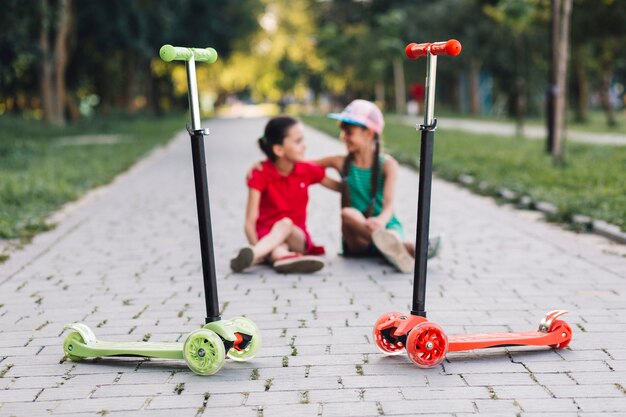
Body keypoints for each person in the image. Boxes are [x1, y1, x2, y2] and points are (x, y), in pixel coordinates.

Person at [314, 99, 440, 273]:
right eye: (342, 131)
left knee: (391, 234)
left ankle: (393, 247)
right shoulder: (340, 162)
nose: (343, 136)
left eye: (349, 132)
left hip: (385, 225)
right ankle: (405, 249)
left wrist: (380, 222)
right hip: (357, 238)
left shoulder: (387, 165)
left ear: (369, 133)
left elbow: (389, 206)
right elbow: (306, 168)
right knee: (347, 213)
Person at [230, 116, 340, 274]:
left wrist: (358, 178)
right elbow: (249, 222)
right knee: (278, 247)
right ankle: (283, 258)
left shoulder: (306, 170)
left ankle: (255, 255)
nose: (304, 146)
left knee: (286, 224)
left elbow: (338, 187)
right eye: (298, 141)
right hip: (266, 238)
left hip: (297, 238)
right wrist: (260, 245)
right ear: (279, 150)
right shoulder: (260, 173)